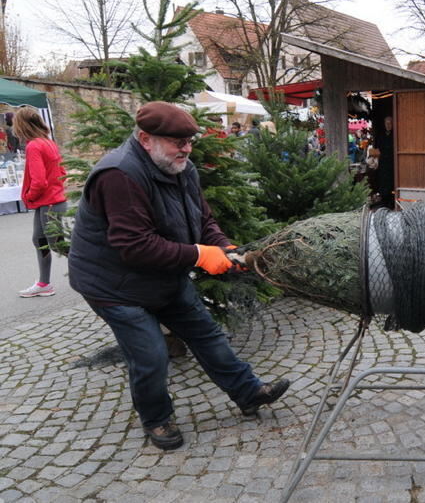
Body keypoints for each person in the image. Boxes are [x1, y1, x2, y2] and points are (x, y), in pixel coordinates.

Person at [67, 101, 290, 450]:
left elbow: (202, 221)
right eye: (177, 141)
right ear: (145, 139)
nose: (186, 148)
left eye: (189, 140)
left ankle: (248, 393)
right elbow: (135, 246)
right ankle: (156, 419)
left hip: (161, 275)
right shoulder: (119, 175)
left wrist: (224, 248)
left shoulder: (182, 168)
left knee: (206, 334)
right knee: (151, 355)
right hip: (113, 285)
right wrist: (201, 255)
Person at [15, 106, 68, 298]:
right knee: (40, 240)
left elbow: (39, 181)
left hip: (50, 202)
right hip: (51, 201)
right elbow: (62, 172)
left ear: (20, 125)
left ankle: (98, 272)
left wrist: (28, 197)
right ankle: (44, 283)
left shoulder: (34, 146)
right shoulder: (48, 142)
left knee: (56, 244)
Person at [374, 115, 395, 208]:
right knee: (383, 181)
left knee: (391, 181)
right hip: (382, 161)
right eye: (386, 123)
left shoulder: (395, 134)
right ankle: (383, 201)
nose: (388, 125)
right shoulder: (380, 135)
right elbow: (376, 148)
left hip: (392, 161)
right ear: (384, 124)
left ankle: (391, 201)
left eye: (390, 123)